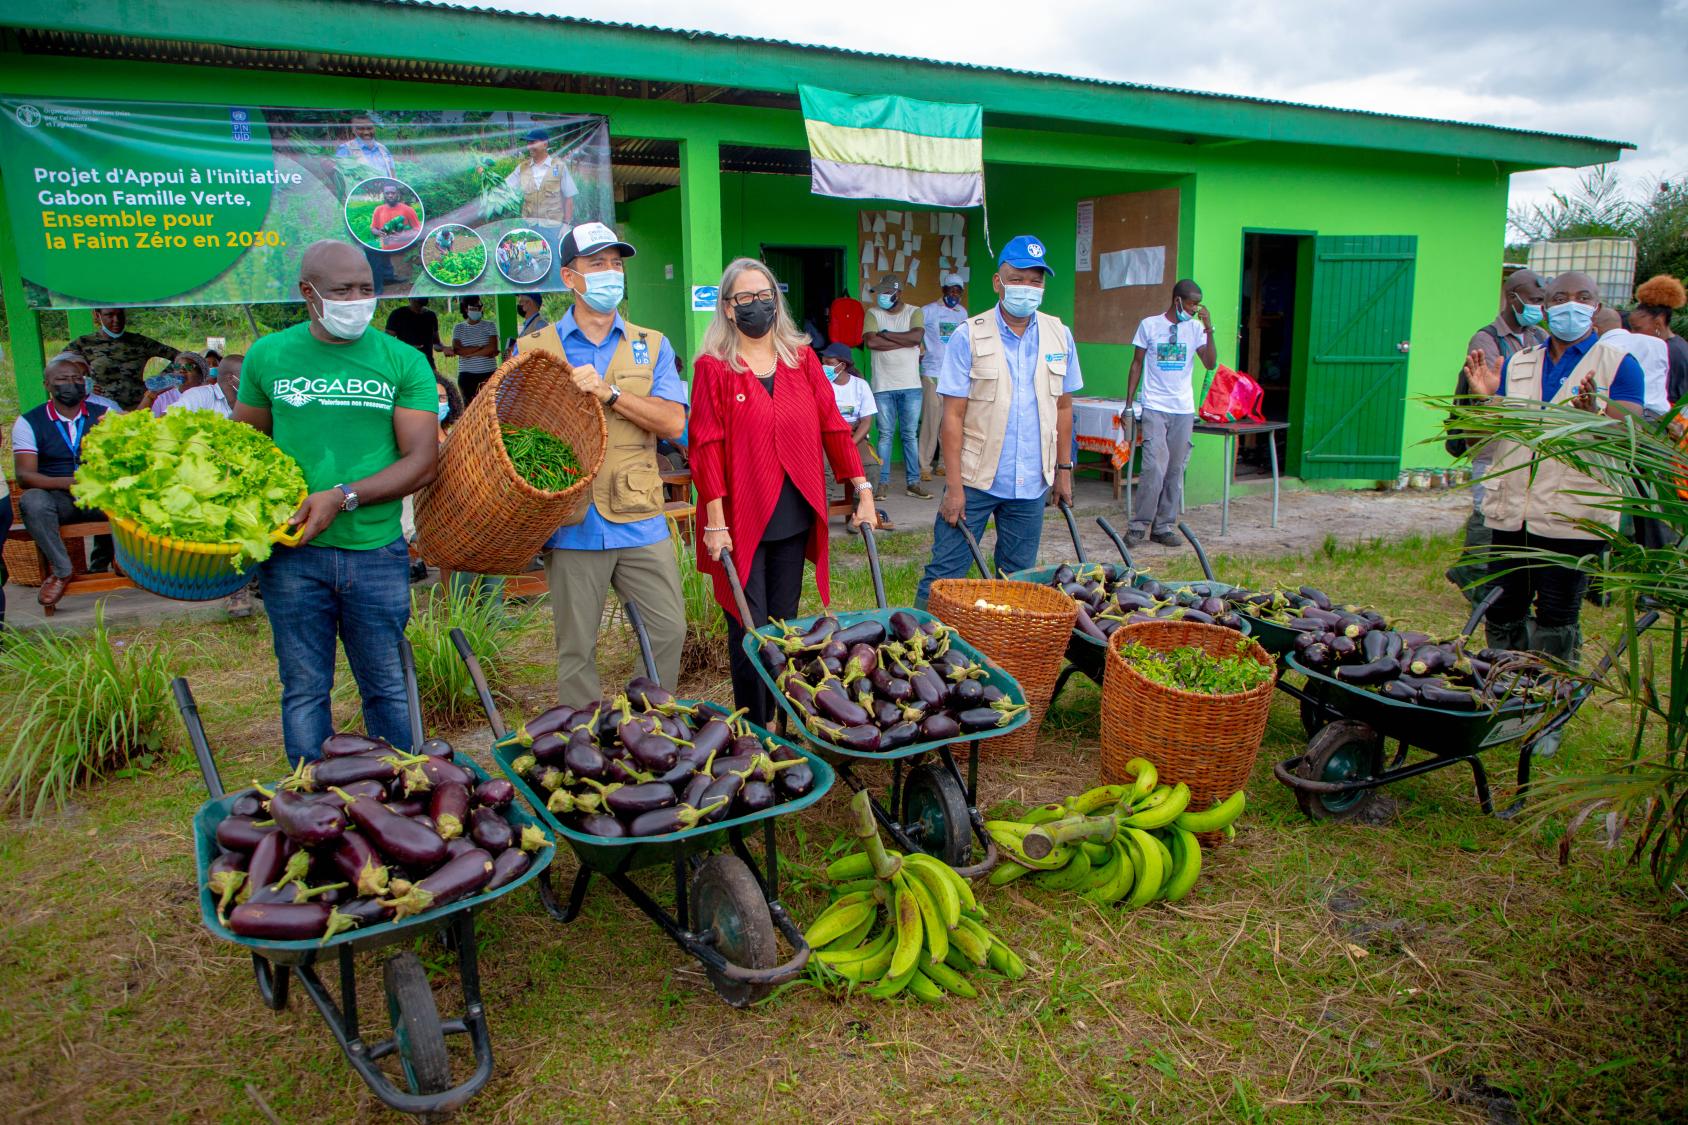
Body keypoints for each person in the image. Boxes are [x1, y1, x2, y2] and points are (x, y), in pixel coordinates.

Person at [233, 240, 440, 767]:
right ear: (309, 293)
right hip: (294, 553)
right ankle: (311, 800)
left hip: (376, 552)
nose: (358, 300)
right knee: (304, 687)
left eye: (367, 289)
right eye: (343, 290)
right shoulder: (268, 355)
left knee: (387, 685)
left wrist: (343, 496)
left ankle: (402, 789)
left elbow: (422, 461)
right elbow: (246, 450)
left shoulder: (402, 360)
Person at [692, 257, 878, 723]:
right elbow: (705, 446)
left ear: (776, 302)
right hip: (739, 519)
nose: (756, 305)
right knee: (747, 627)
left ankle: (781, 718)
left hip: (793, 512)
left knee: (785, 624)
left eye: (765, 296)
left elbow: (834, 427)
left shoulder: (802, 359)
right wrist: (715, 521)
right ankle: (753, 726)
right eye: (745, 298)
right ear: (729, 309)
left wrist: (863, 487)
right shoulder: (714, 367)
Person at [513, 222, 689, 704]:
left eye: (617, 264)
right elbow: (513, 437)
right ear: (571, 277)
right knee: (576, 649)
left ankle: (648, 726)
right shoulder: (533, 350)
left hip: (639, 514)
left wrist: (611, 394)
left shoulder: (652, 343)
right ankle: (584, 745)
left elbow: (674, 422)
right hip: (571, 522)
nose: (611, 273)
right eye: (597, 264)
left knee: (668, 629)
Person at [1460, 271, 1643, 673]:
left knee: (1557, 611)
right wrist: (1485, 399)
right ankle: (1503, 680)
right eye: (1559, 296)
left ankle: (1548, 695)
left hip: (1569, 513)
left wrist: (1597, 413)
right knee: (1503, 603)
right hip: (1513, 508)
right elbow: (1492, 436)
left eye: (1582, 297)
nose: (1569, 304)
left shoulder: (1618, 364)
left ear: (1595, 307)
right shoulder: (1521, 362)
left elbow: (1634, 430)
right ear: (1546, 306)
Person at [916, 235, 1080, 607]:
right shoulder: (968, 335)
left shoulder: (1060, 334)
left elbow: (1064, 408)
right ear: (998, 282)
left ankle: (1002, 651)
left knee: (1017, 581)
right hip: (975, 480)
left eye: (1036, 281)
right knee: (944, 574)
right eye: (1018, 278)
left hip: (1032, 482)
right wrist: (954, 488)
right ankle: (916, 651)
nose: (1027, 288)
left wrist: (1064, 470)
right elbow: (952, 416)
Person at [1445, 269, 1550, 602]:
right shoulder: (1486, 339)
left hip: (1524, 436)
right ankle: (1476, 578)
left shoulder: (1538, 336)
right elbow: (1490, 391)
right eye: (1534, 301)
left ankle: (1477, 571)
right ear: (1512, 296)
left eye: (1542, 302)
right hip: (1489, 434)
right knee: (1486, 504)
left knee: (1508, 506)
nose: (1539, 308)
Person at [11, 353, 115, 609]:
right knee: (32, 501)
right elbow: (25, 476)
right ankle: (61, 570)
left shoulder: (106, 414)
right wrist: (73, 482)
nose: (71, 383)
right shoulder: (28, 422)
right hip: (60, 499)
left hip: (101, 495)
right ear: (47, 385)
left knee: (135, 492)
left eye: (77, 378)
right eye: (62, 379)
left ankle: (125, 559)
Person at [1125, 279, 1216, 547]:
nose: (1195, 308)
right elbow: (1136, 364)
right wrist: (1129, 403)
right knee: (1154, 466)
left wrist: (1209, 328)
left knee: (1175, 470)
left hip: (1183, 409)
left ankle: (1163, 526)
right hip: (1155, 406)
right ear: (1177, 300)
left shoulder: (1197, 328)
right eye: (1191, 304)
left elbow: (1210, 363)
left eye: (1198, 304)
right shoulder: (1150, 325)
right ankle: (1139, 525)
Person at [174, 354, 255, 618]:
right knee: (229, 508)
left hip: (241, 477)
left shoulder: (255, 402)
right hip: (200, 479)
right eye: (250, 376)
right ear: (233, 380)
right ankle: (237, 586)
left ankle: (253, 577)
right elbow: (171, 434)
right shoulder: (197, 398)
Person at [863, 273, 930, 499]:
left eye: (886, 292)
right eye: (879, 293)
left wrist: (887, 335)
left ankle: (913, 483)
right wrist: (904, 339)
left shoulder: (915, 312)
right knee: (885, 435)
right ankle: (882, 483)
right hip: (883, 385)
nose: (881, 297)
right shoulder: (873, 313)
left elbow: (916, 338)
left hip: (911, 385)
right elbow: (871, 341)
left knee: (910, 435)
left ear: (898, 292)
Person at [66, 308, 178, 410]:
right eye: (109, 315)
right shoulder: (84, 343)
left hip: (140, 407)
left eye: (120, 314)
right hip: (102, 409)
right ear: (97, 314)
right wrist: (84, 385)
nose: (116, 320)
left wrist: (161, 380)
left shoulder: (140, 342)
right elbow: (58, 370)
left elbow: (182, 358)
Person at [820, 341, 881, 515]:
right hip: (825, 435)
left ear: (843, 365)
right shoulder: (820, 384)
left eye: (829, 364)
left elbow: (866, 422)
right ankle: (822, 515)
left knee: (871, 466)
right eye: (823, 362)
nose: (824, 367)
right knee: (822, 469)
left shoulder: (860, 385)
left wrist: (850, 444)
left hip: (853, 435)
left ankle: (858, 511)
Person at [508, 128, 577, 279]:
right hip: (531, 227)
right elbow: (505, 187)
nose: (529, 146)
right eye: (528, 143)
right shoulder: (522, 168)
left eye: (533, 142)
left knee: (556, 264)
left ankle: (558, 292)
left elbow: (569, 197)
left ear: (545, 144)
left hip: (553, 227)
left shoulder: (559, 167)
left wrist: (566, 223)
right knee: (534, 263)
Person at [918, 274, 968, 481]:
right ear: (943, 290)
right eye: (950, 290)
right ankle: (924, 466)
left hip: (954, 376)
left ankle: (944, 464)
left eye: (958, 291)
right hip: (932, 373)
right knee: (930, 423)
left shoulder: (962, 313)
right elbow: (915, 337)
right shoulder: (928, 311)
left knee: (949, 424)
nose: (954, 294)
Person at [1593, 306, 1670, 420]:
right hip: (1659, 420)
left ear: (1595, 329)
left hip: (1622, 420)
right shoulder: (1659, 343)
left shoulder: (1600, 348)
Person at [1630, 274, 1688, 408]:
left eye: (1637, 329)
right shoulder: (1676, 346)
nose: (1633, 334)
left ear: (1659, 322)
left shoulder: (1671, 352)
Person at [448, 295, 501, 402]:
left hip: (488, 374)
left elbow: (492, 348)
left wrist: (469, 353)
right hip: (467, 377)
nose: (478, 309)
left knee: (490, 406)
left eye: (480, 306)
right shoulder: (458, 328)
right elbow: (458, 350)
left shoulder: (490, 325)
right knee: (469, 408)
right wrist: (481, 347)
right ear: (466, 309)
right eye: (474, 307)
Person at [175, 353, 243, 418]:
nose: (182, 370)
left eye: (189, 367)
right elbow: (170, 419)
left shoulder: (248, 401)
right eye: (248, 376)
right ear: (231, 379)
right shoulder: (197, 396)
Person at [385, 296, 443, 371]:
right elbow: (386, 343)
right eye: (418, 294)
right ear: (410, 297)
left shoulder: (431, 316)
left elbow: (436, 344)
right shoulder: (398, 314)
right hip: (405, 367)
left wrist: (444, 348)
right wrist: (408, 348)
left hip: (427, 366)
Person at [142, 351, 208, 416]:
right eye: (177, 366)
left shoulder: (208, 396)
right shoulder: (163, 396)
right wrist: (150, 397)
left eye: (189, 366)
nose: (182, 370)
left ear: (201, 376)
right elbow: (137, 422)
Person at [335, 114, 395, 178]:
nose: (366, 132)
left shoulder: (383, 149)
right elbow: (340, 176)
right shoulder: (346, 149)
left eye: (369, 128)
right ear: (353, 130)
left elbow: (392, 175)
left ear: (374, 128)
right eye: (361, 129)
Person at [507, 292, 548, 359]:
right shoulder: (529, 324)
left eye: (520, 302)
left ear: (529, 303)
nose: (518, 305)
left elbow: (542, 351)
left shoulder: (540, 325)